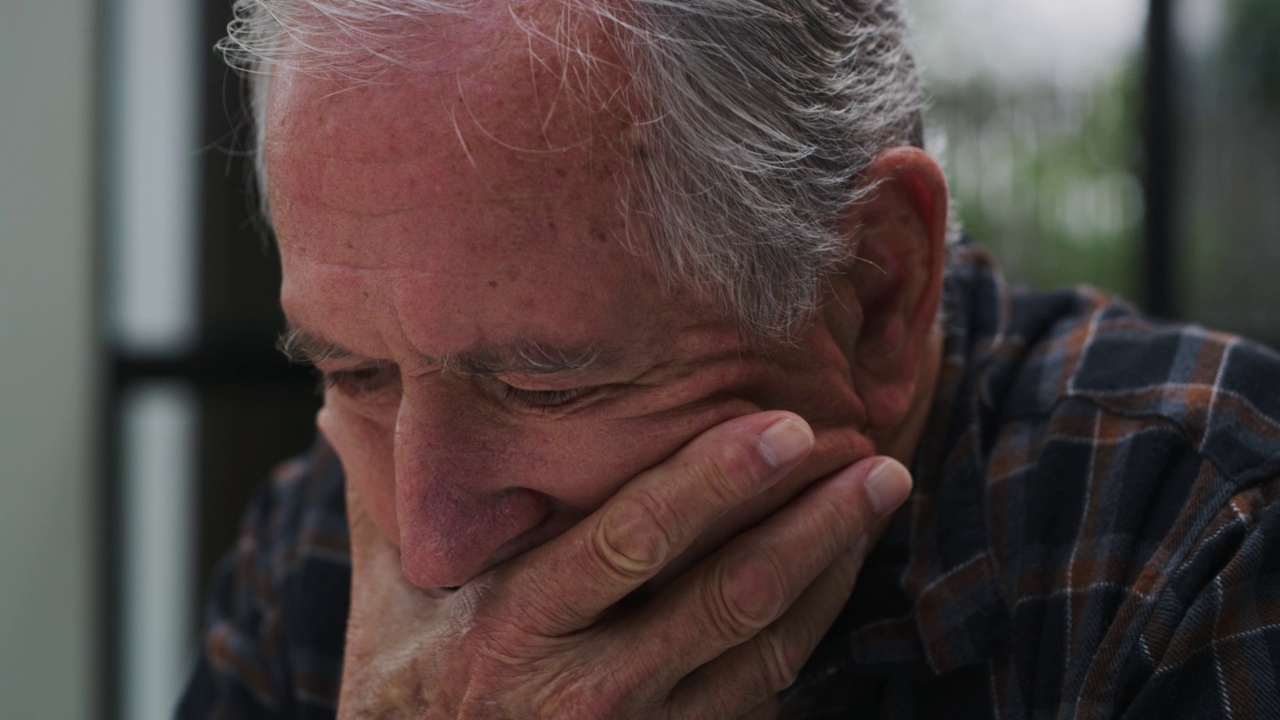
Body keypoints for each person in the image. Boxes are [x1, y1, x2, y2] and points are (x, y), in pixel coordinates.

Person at [178, 0, 1280, 717]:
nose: (429, 548)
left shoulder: (1200, 536)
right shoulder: (315, 547)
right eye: (358, 375)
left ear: (873, 291)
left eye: (540, 384)